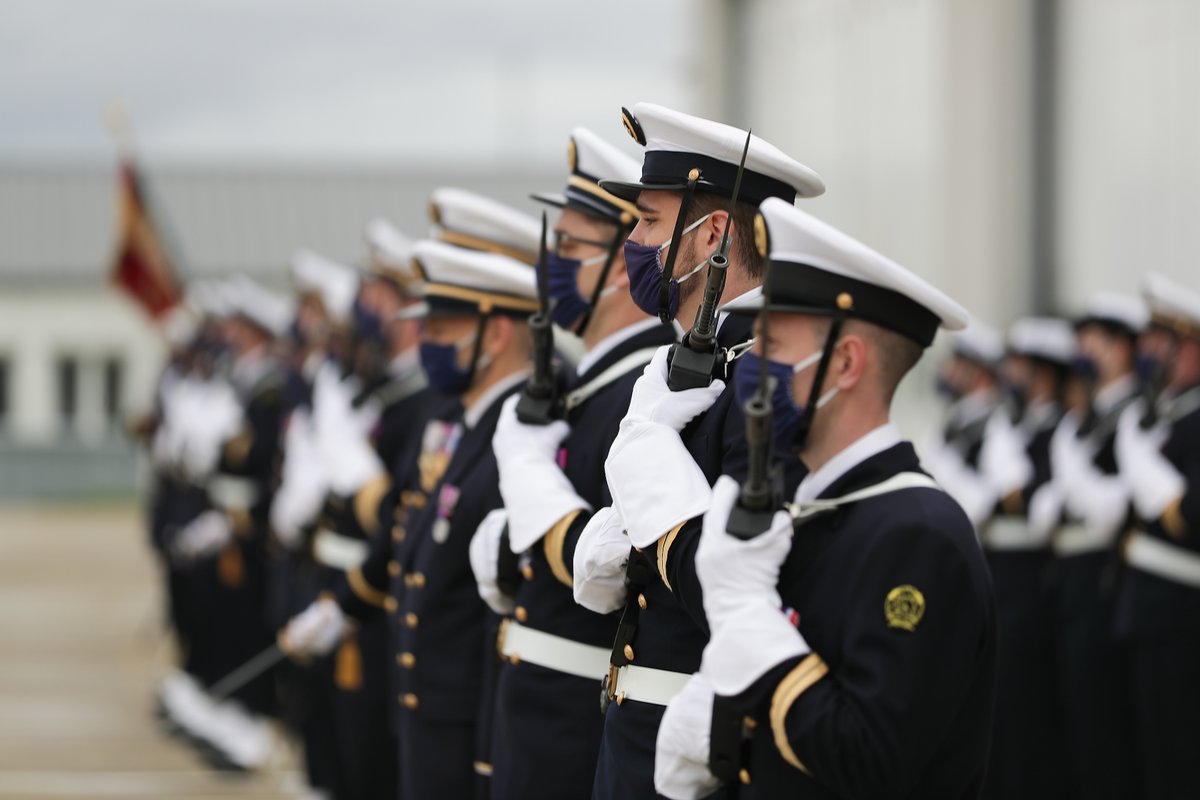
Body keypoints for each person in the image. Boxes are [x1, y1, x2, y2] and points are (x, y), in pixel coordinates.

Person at [654, 197, 995, 799]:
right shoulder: (813, 513)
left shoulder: (916, 533)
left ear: (844, 362)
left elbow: (870, 756)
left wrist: (748, 621)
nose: (756, 367)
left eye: (775, 348)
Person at [572, 102, 825, 799]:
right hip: (633, 735)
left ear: (712, 233)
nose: (633, 239)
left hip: (703, 755)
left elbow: (739, 587)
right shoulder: (683, 373)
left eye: (650, 221)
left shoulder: (764, 383)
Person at [468, 128, 677, 799]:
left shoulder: (638, 394)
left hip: (575, 723)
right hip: (545, 711)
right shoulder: (590, 390)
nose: (551, 264)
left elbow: (606, 569)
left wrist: (522, 508)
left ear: (621, 266)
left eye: (568, 247)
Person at [1041, 292, 1146, 799]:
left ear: (1127, 348)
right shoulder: (1086, 418)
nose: (1087, 350)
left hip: (1111, 579)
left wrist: (1071, 473)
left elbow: (1115, 507)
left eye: (1099, 340)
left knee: (1108, 726)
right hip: (1074, 580)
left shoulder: (1138, 413)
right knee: (1074, 722)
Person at [1112, 272, 1200, 799]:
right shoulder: (1163, 417)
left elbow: (1191, 519)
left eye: (1159, 343)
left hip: (1182, 620)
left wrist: (1163, 491)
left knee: (1180, 760)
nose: (1147, 353)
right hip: (1150, 613)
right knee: (1152, 760)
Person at [981, 316, 1075, 800]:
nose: (1011, 377)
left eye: (1021, 367)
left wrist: (1012, 485)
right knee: (1003, 706)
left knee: (1031, 707)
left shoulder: (1058, 429)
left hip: (1036, 581)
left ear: (1044, 373)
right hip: (1003, 575)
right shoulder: (1010, 428)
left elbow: (1039, 504)